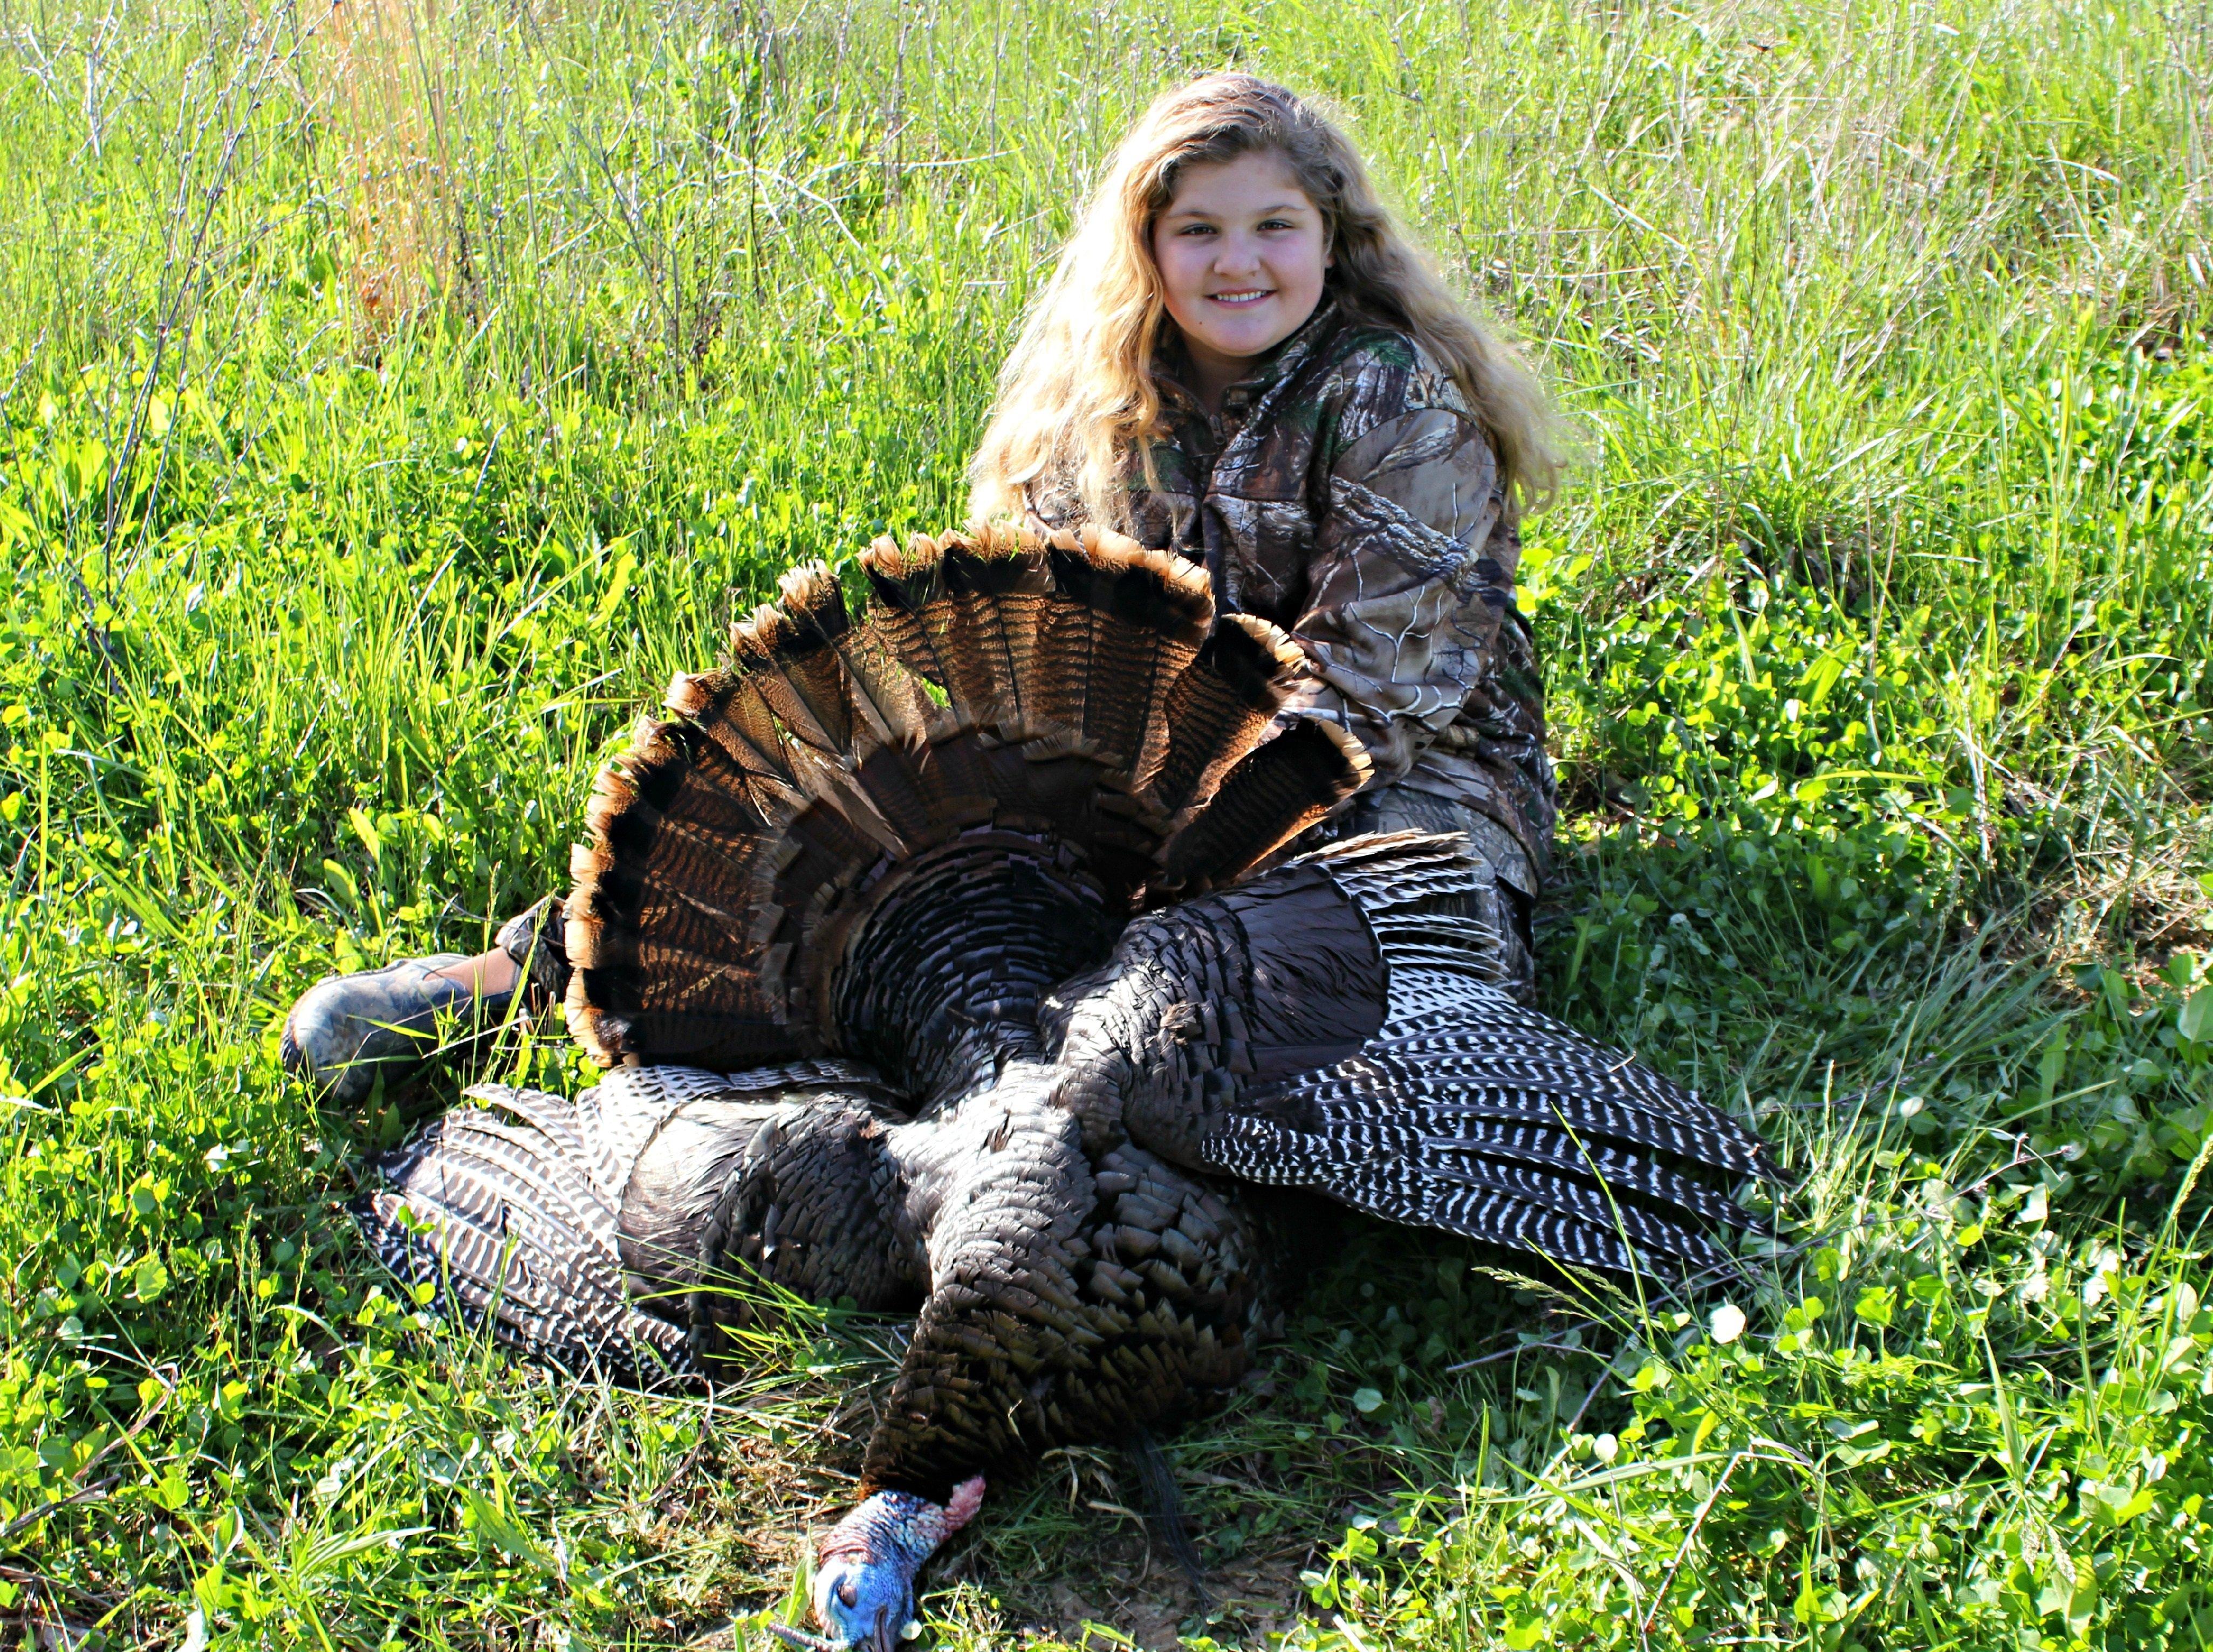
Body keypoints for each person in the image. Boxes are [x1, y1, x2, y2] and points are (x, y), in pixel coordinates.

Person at [282, 72, 1563, 1103]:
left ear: (1331, 243)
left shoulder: (1394, 395)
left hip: (1385, 775)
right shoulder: (1104, 395)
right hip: (1145, 764)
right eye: (1201, 231)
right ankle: (526, 968)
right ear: (1152, 249)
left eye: (1275, 227)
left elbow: (1374, 697)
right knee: (880, 807)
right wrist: (964, 787)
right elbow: (1008, 628)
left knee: (1322, 1001)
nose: (1241, 264)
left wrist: (1156, 854)